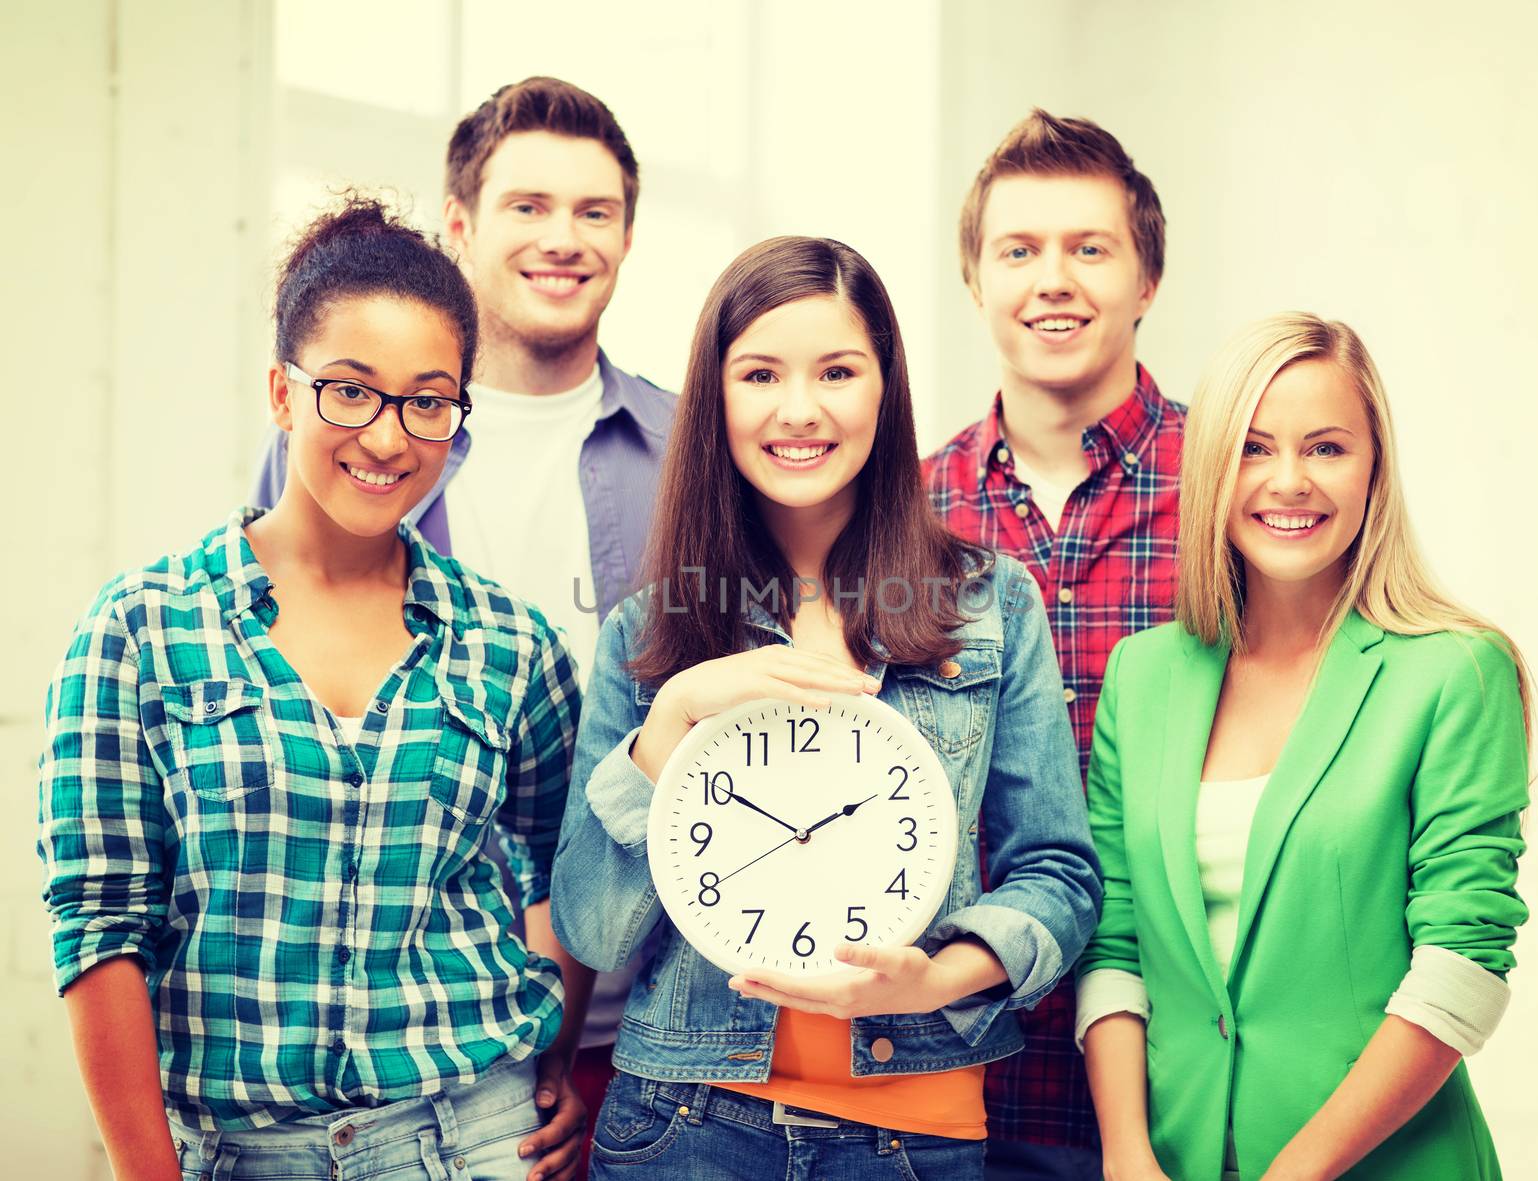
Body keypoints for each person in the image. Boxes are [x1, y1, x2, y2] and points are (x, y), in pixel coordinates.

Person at [40, 196, 584, 1181]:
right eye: (349, 390)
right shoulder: (139, 628)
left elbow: (565, 868)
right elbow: (98, 927)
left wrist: (555, 1057)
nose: (387, 437)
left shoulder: (510, 642)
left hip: (473, 1137)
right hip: (233, 1151)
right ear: (282, 394)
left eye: (429, 399)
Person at [549, 235, 1103, 1180]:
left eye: (837, 371)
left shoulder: (989, 603)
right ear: (715, 395)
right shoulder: (651, 630)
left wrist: (939, 977)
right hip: (684, 1126)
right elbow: (593, 930)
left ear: (884, 389)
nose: (799, 410)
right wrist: (672, 716)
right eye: (760, 373)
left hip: (915, 1134)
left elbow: (1058, 874)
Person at [253, 76, 677, 1157]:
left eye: (595, 211)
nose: (563, 239)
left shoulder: (690, 451)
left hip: (661, 1022)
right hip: (418, 1039)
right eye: (527, 205)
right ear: (459, 225)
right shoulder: (350, 443)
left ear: (627, 235)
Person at [1077, 312, 1533, 1180]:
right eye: (1253, 447)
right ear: (1211, 469)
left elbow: (1462, 964)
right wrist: (1128, 1152)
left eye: (1326, 448)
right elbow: (1115, 946)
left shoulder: (1454, 671)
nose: (1289, 481)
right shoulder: (1141, 677)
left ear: (1375, 468)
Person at [921, 109, 1184, 1180]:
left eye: (1089, 248)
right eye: (1018, 251)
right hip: (958, 1071)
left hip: (1184, 1065)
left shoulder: (1236, 494)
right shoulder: (904, 511)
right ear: (976, 282)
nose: (1053, 280)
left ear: (1146, 279)